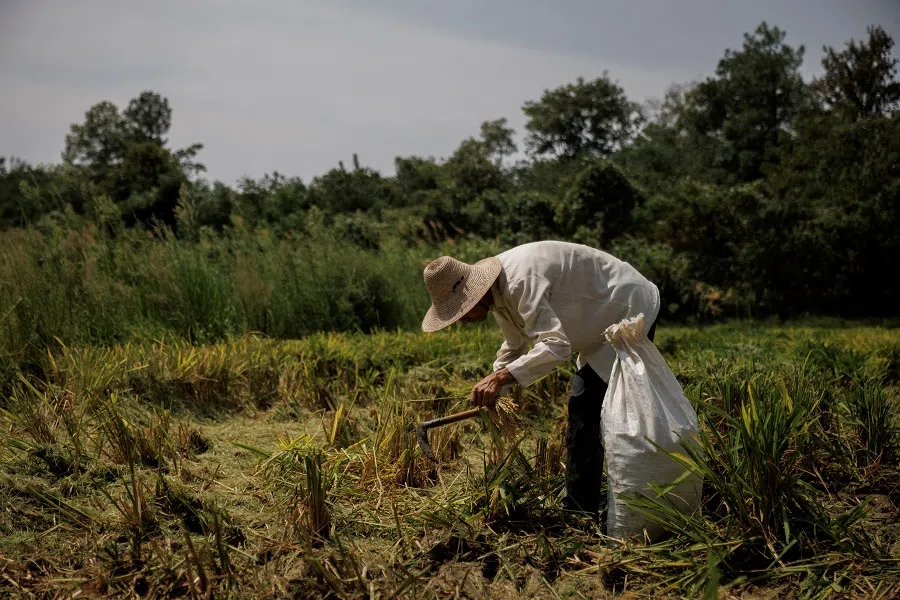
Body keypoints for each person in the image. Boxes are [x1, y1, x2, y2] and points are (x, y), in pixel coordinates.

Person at [420, 240, 660, 516]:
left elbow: (556, 348)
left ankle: (586, 511)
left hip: (628, 308)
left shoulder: (520, 282)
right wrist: (497, 386)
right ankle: (584, 507)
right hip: (596, 327)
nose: (460, 321)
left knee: (593, 410)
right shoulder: (497, 294)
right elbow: (514, 346)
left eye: (458, 312)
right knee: (588, 409)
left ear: (472, 296)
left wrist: (500, 379)